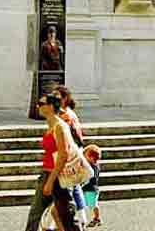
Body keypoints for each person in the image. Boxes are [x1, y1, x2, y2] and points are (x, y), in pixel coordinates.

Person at [24, 93, 80, 231]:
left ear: (50, 106)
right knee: (36, 213)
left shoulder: (59, 126)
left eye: (41, 104)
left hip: (56, 176)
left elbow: (63, 155)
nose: (38, 106)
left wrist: (50, 181)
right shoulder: (52, 125)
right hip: (48, 173)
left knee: (66, 215)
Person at [55, 86, 87, 229]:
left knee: (71, 187)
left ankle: (78, 218)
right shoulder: (69, 113)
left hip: (70, 154)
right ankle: (80, 217)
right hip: (73, 152)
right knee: (74, 186)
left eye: (57, 97)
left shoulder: (66, 115)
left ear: (64, 98)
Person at [82, 145, 102, 228]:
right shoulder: (95, 165)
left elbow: (89, 177)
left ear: (91, 158)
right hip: (90, 188)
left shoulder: (92, 167)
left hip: (91, 189)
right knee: (91, 204)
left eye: (85, 156)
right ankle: (96, 218)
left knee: (93, 205)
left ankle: (97, 218)